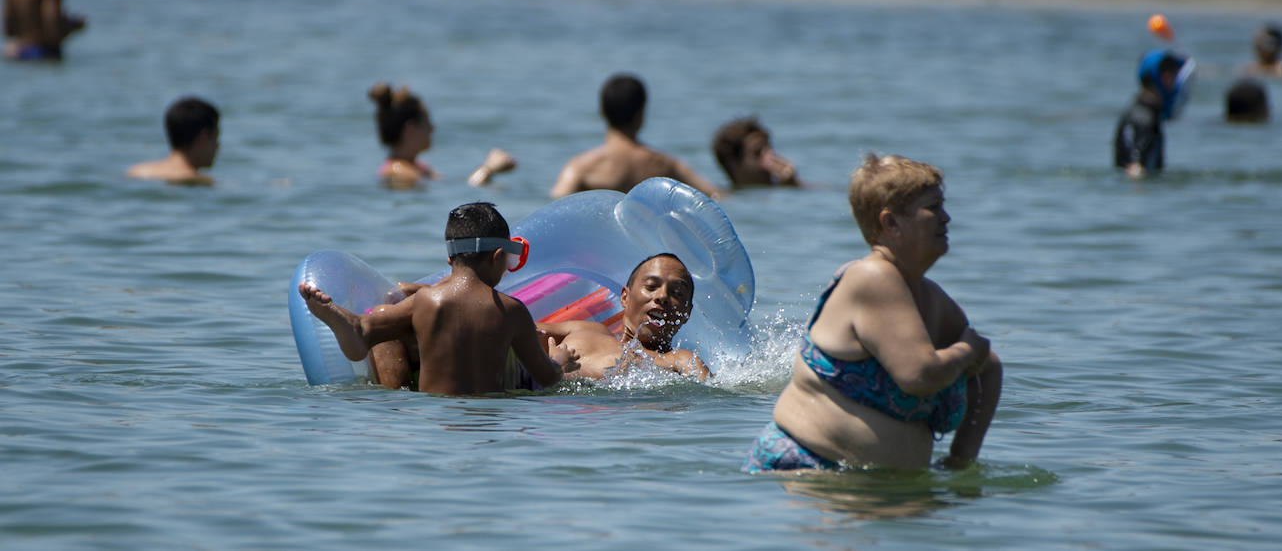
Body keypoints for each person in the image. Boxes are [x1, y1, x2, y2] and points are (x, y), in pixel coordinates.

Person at [743, 154, 1001, 473]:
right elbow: (918, 374)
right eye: (933, 207)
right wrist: (965, 350)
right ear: (890, 223)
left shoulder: (930, 297)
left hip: (878, 493)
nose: (946, 218)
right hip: (806, 475)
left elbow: (987, 368)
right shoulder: (872, 277)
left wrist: (960, 463)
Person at [297, 202, 572, 396]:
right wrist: (559, 361)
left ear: (450, 259)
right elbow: (545, 377)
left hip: (434, 416)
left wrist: (352, 324)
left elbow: (365, 335)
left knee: (363, 328)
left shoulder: (427, 301)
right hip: (491, 418)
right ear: (498, 256)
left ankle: (343, 317)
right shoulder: (511, 311)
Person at [538, 253, 710, 381]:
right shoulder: (584, 330)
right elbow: (519, 327)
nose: (662, 296)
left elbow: (709, 401)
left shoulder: (680, 360)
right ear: (625, 297)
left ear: (687, 313)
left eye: (677, 293)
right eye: (651, 286)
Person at [550, 73, 721, 199]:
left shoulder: (581, 167)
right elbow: (716, 195)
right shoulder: (665, 165)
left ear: (602, 112)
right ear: (641, 113)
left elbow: (553, 206)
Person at [368, 83, 516, 188]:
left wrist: (488, 172)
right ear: (410, 128)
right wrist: (487, 169)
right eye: (426, 122)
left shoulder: (419, 167)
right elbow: (464, 194)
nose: (432, 128)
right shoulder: (398, 172)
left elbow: (457, 188)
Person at [1114, 48, 1193, 178]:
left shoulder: (1145, 113)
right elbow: (1134, 169)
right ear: (1165, 78)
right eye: (1173, 76)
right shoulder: (1143, 118)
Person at [126, 96, 220, 185]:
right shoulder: (200, 181)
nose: (218, 146)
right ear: (204, 138)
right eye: (216, 138)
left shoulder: (136, 171)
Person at [711, 116, 801, 188]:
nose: (772, 160)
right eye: (757, 153)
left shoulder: (784, 186)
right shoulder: (727, 197)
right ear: (733, 163)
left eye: (770, 150)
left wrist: (793, 184)